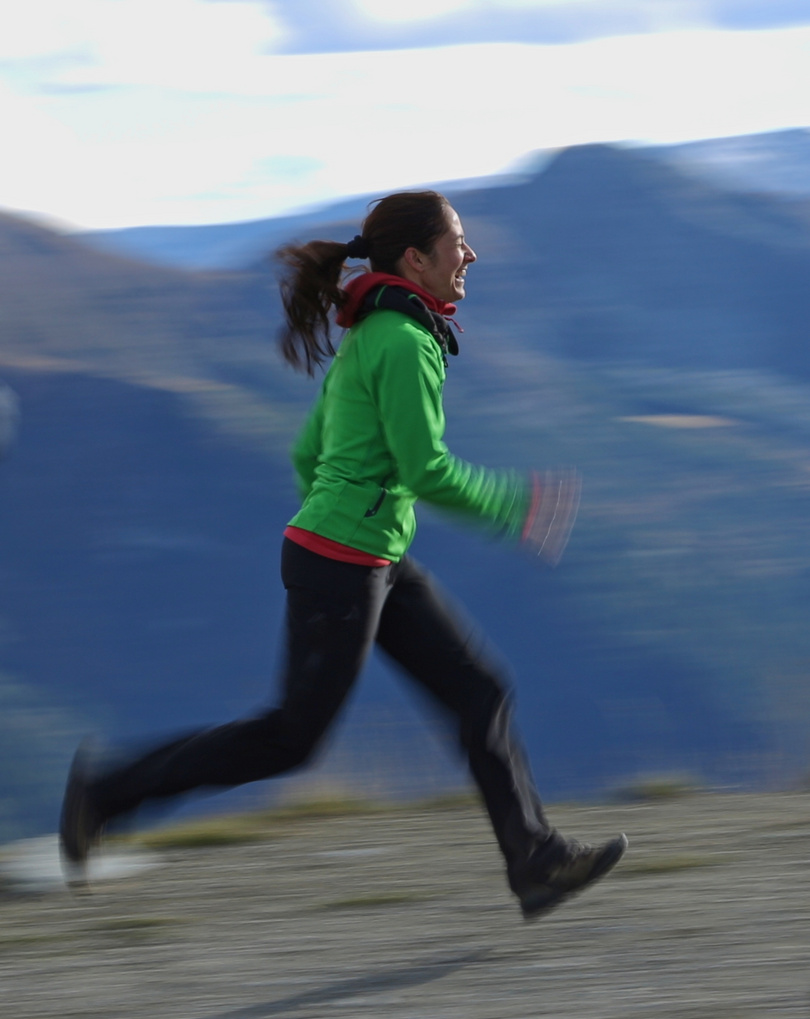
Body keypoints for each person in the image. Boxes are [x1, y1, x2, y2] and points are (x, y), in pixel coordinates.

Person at [60, 190, 626, 918]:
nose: (471, 254)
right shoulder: (403, 341)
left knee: (479, 689)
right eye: (458, 241)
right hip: (348, 563)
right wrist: (517, 505)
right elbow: (427, 470)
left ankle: (535, 861)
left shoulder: (376, 330)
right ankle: (105, 792)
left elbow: (309, 450)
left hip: (364, 557)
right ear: (416, 258)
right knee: (291, 739)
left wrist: (341, 517)